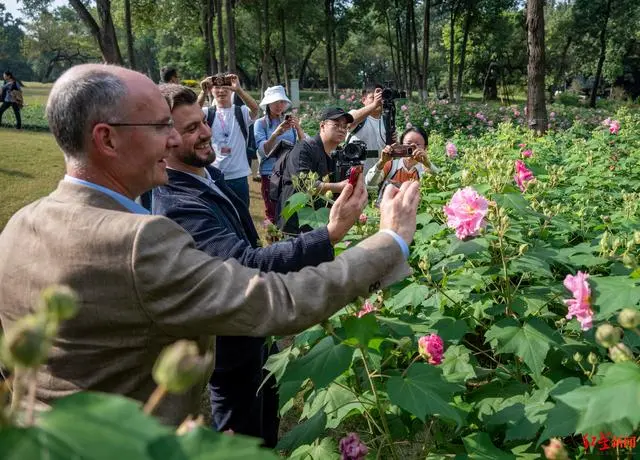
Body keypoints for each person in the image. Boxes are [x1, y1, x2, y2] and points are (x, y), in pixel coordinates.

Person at [0, 64, 420, 427]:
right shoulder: (137, 242)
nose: (172, 142)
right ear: (107, 140)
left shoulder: (20, 224)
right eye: (161, 127)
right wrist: (388, 242)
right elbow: (276, 300)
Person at [151, 84, 359, 446]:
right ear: (162, 139)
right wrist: (330, 234)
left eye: (202, 121)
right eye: (190, 129)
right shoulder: (176, 204)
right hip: (229, 344)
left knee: (266, 426)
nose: (205, 132)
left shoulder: (207, 176)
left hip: (253, 329)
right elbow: (243, 262)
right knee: (240, 439)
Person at [275, 107, 354, 234]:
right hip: (295, 223)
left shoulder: (339, 154)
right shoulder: (304, 148)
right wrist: (338, 187)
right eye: (336, 125)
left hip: (322, 225)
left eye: (345, 127)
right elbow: (304, 184)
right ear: (322, 125)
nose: (341, 129)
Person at [197, 73, 259, 206]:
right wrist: (203, 92)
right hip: (214, 175)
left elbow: (255, 109)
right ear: (212, 90)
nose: (221, 91)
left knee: (242, 217)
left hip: (238, 176)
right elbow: (193, 113)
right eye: (216, 87)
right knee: (219, 216)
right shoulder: (208, 113)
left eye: (226, 87)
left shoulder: (240, 111)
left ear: (231, 90)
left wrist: (239, 89)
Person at [254, 85, 306, 224]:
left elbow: (304, 145)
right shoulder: (261, 124)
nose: (279, 105)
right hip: (270, 172)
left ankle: (287, 241)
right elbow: (262, 150)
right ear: (268, 104)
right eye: (275, 102)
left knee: (289, 211)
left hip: (289, 171)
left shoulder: (289, 123)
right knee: (272, 211)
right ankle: (274, 242)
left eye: (282, 102)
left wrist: (298, 128)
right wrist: (276, 133)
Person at [365, 126, 439, 188]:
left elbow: (442, 183)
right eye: (408, 143)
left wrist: (427, 163)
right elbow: (370, 182)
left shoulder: (427, 168)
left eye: (417, 144)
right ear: (401, 145)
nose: (412, 147)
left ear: (425, 148)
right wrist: (381, 162)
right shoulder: (390, 165)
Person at [347, 84, 387, 176]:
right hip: (354, 177)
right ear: (363, 100)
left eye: (381, 98)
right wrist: (374, 105)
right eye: (373, 98)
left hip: (377, 178)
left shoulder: (387, 121)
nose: (378, 101)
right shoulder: (355, 114)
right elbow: (348, 122)